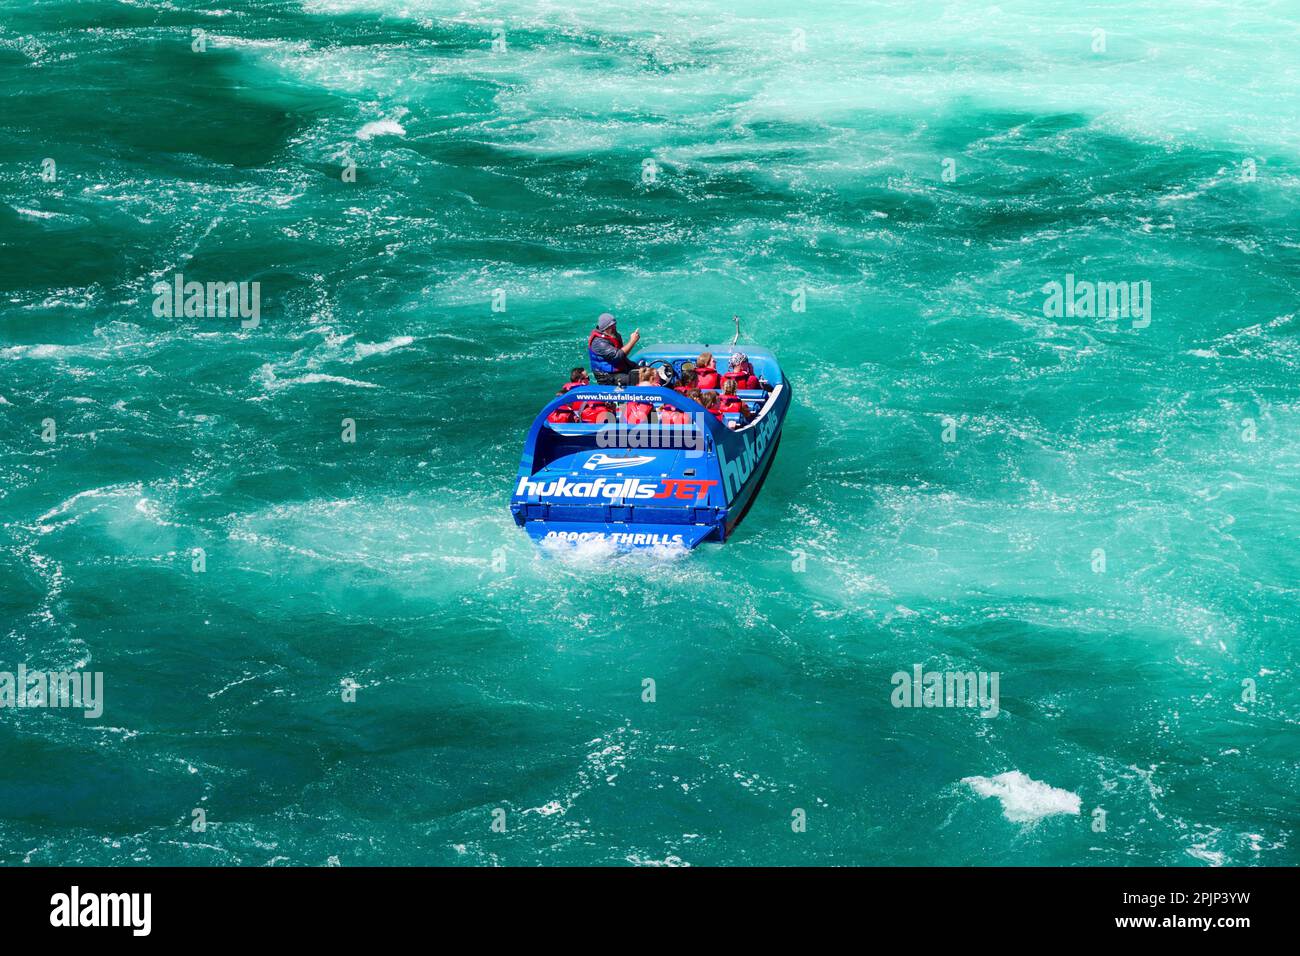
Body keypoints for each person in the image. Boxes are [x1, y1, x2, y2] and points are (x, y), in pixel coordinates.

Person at [587, 313, 641, 385]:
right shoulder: (599, 342)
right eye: (611, 326)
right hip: (607, 376)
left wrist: (635, 366)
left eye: (614, 325)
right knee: (640, 380)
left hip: (620, 369)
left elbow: (622, 357)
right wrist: (632, 341)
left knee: (647, 373)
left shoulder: (614, 335)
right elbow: (618, 356)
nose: (614, 328)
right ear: (605, 328)